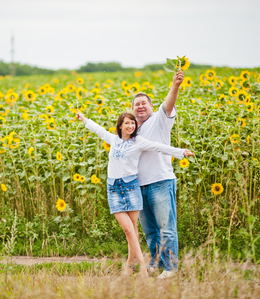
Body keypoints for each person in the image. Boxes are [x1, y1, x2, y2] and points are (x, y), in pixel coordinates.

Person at [76, 110, 193, 277]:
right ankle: (133, 264)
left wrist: (180, 152)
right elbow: (99, 130)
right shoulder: (114, 140)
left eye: (133, 123)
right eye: (127, 123)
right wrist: (84, 119)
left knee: (131, 229)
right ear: (120, 126)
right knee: (128, 229)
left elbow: (158, 147)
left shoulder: (138, 141)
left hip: (131, 187)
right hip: (114, 189)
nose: (131, 126)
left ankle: (140, 268)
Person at [132, 69, 185, 279]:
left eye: (144, 103)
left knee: (166, 228)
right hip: (139, 185)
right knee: (150, 231)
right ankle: (155, 264)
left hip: (161, 181)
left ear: (152, 107)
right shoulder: (132, 129)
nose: (141, 106)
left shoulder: (160, 120)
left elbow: (169, 103)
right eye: (137, 104)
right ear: (132, 109)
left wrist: (175, 85)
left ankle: (171, 269)